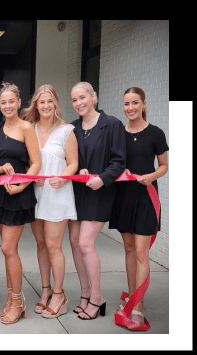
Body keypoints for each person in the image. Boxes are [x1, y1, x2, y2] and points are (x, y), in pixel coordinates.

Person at [109, 87, 168, 329]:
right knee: (129, 249)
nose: (130, 108)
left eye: (135, 103)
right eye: (126, 104)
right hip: (123, 196)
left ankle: (138, 307)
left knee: (142, 252)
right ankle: (132, 297)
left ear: (143, 104)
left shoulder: (155, 133)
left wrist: (150, 176)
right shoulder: (118, 134)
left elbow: (164, 165)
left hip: (145, 195)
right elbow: (112, 163)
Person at [68, 82, 127, 320]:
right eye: (74, 100)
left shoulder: (112, 124)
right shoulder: (73, 128)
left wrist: (102, 179)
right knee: (74, 242)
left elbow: (119, 161)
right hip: (78, 191)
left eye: (82, 97)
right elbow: (70, 157)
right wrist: (77, 168)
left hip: (100, 192)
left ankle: (97, 297)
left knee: (85, 244)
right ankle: (84, 295)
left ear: (93, 97)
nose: (79, 103)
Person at [21, 84, 78, 319]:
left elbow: (73, 163)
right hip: (36, 194)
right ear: (36, 104)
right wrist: (29, 174)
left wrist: (63, 179)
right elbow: (26, 160)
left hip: (58, 194)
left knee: (54, 245)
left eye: (50, 101)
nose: (45, 106)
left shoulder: (66, 131)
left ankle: (59, 294)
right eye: (41, 102)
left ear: (56, 104)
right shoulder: (29, 129)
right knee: (41, 244)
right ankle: (45, 291)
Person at [0, 82, 41, 324]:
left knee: (9, 248)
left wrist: (22, 185)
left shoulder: (26, 127)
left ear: (19, 103)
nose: (7, 105)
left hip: (19, 194)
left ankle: (18, 302)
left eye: (11, 101)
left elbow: (37, 164)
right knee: (6, 250)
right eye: (3, 102)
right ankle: (11, 299)